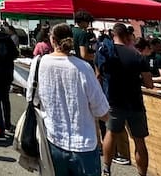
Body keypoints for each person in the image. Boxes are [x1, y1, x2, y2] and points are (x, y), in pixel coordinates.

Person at [35, 23, 110, 176]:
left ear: (52, 39)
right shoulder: (83, 68)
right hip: (84, 143)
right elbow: (102, 111)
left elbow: (36, 98)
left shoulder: (41, 63)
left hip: (53, 139)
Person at [101, 23, 153, 176]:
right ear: (126, 36)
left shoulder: (106, 53)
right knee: (139, 140)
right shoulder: (137, 55)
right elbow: (149, 84)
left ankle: (106, 170)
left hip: (114, 100)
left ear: (113, 35)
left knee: (111, 133)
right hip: (135, 102)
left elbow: (99, 75)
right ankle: (142, 174)